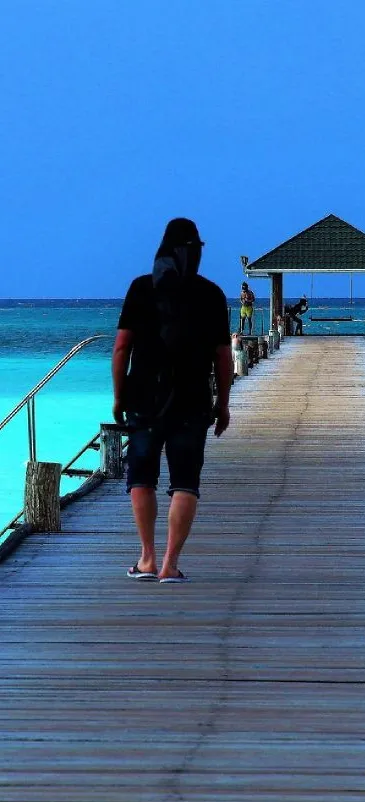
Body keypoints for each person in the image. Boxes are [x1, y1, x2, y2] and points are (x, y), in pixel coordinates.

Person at [112, 218, 233, 583]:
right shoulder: (210, 294)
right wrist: (223, 403)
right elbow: (223, 358)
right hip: (192, 400)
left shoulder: (140, 288)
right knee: (185, 481)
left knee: (141, 478)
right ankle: (170, 565)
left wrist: (119, 397)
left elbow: (121, 348)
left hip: (144, 399)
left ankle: (146, 559)